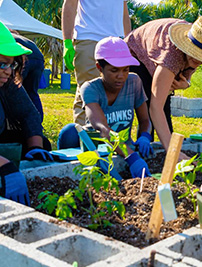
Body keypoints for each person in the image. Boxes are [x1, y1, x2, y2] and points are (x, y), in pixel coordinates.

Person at [124, 15, 202, 160]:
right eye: (195, 53)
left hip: (158, 53)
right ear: (187, 45)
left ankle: (165, 154)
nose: (199, 59)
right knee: (151, 105)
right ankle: (144, 155)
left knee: (165, 114)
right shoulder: (171, 56)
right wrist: (174, 152)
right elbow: (155, 107)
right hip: (135, 54)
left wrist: (185, 83)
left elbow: (186, 74)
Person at [58, 36, 151, 178]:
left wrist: (144, 136)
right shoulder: (90, 89)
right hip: (98, 149)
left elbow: (145, 120)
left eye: (125, 70)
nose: (121, 76)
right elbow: (103, 129)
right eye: (114, 71)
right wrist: (131, 157)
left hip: (123, 146)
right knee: (69, 132)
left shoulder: (134, 82)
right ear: (99, 68)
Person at [0, 21, 58, 206]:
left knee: (42, 143)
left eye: (11, 64)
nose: (8, 71)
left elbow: (28, 114)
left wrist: (35, 147)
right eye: (2, 64)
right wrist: (5, 166)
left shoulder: (7, 83)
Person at [62, 0, 131, 125]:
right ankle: (84, 140)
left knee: (114, 94)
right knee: (87, 92)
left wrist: (128, 41)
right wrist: (67, 41)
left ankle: (109, 139)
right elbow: (70, 4)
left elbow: (124, 11)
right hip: (89, 38)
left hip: (117, 41)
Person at [11, 31, 45, 122]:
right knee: (32, 92)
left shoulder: (6, 37)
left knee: (14, 90)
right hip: (39, 59)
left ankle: (17, 123)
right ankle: (38, 122)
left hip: (24, 57)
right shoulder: (23, 38)